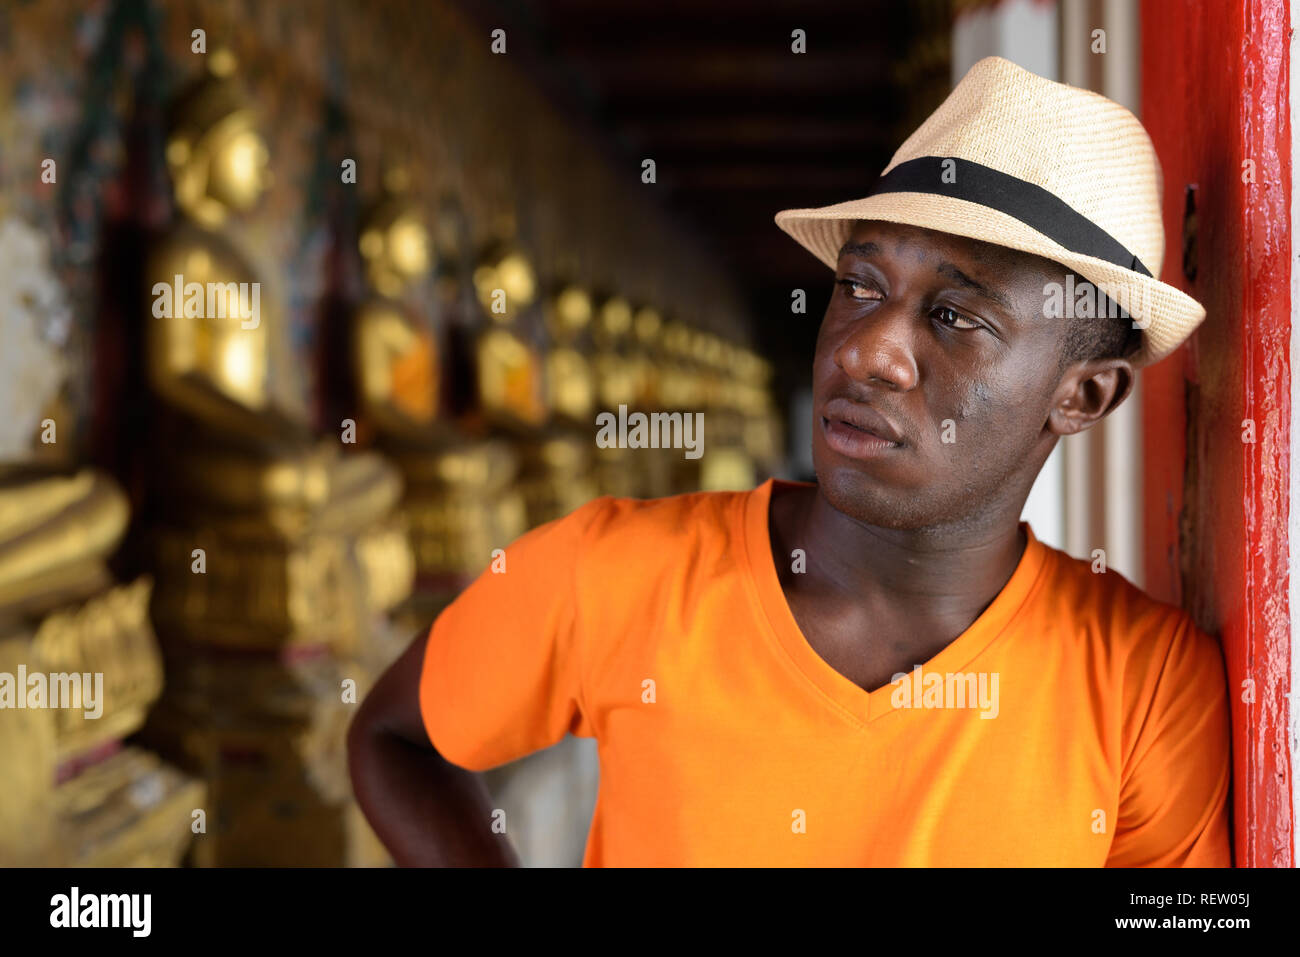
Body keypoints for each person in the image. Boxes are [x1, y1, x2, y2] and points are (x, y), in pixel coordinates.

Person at [347, 56, 1231, 866]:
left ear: (1083, 395)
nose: (867, 351)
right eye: (861, 285)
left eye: (957, 317)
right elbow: (392, 737)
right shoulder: (619, 573)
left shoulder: (1144, 688)